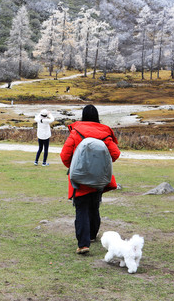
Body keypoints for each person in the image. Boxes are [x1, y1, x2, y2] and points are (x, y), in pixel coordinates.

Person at [60, 105, 121, 255]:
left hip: (79, 180)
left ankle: (83, 244)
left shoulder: (76, 133)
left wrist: (75, 168)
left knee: (81, 209)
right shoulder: (104, 134)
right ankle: (92, 235)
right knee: (94, 207)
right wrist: (100, 166)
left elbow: (64, 156)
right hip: (98, 179)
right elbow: (115, 154)